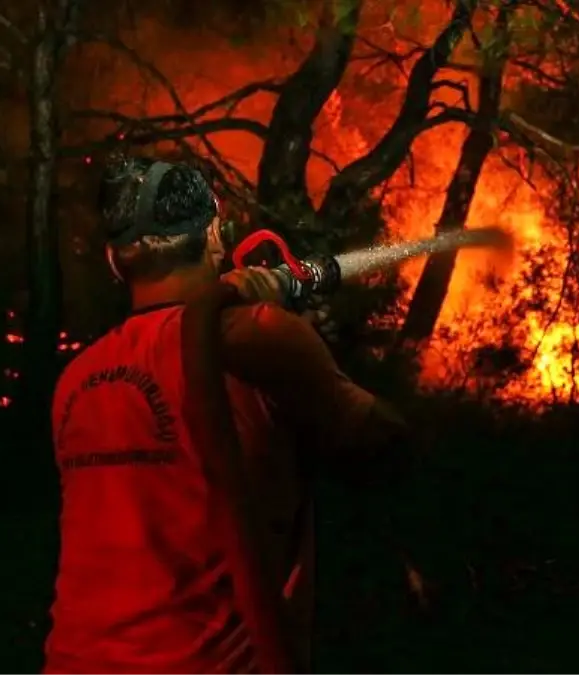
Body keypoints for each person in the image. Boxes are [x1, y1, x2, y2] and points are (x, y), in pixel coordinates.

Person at [44, 156, 407, 675]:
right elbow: (386, 446)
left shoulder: (75, 381)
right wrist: (317, 347)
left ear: (114, 259)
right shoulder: (255, 336)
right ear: (214, 235)